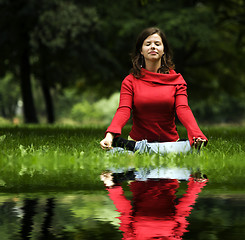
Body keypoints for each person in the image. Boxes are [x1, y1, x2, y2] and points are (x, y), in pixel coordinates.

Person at [100, 27, 208, 154]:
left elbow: (183, 109)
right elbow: (123, 110)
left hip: (169, 144)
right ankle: (140, 148)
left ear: (163, 51)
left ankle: (137, 149)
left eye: (157, 44)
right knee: (112, 155)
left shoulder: (177, 80)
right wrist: (110, 136)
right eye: (148, 44)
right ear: (141, 50)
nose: (152, 47)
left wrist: (196, 134)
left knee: (193, 151)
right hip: (138, 140)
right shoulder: (130, 81)